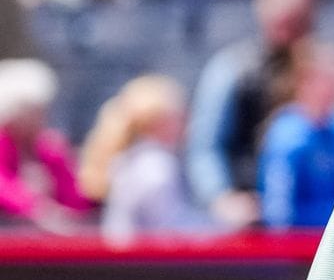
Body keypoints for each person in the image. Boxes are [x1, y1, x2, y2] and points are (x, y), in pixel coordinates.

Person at [186, 0, 317, 227]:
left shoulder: (321, 67)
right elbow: (205, 144)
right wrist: (221, 198)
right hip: (250, 213)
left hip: (309, 214)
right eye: (284, 23)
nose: (290, 33)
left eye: (299, 22)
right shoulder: (232, 68)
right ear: (263, 17)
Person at [77, 74, 207, 239]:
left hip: (123, 259)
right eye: (181, 117)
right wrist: (224, 225)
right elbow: (172, 228)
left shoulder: (130, 158)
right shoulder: (156, 166)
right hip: (141, 262)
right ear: (161, 122)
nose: (186, 124)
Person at [258, 41, 334, 230]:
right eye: (328, 79)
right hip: (299, 247)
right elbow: (279, 212)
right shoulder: (287, 135)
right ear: (305, 81)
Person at [0, 58, 91, 230]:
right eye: (34, 111)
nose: (42, 117)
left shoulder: (49, 148)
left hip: (47, 244)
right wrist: (38, 209)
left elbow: (75, 201)